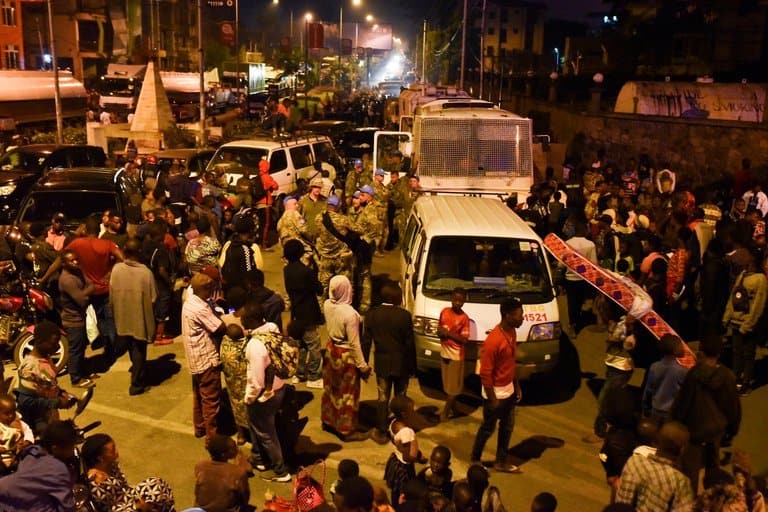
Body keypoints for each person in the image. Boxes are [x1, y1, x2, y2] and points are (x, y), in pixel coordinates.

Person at [43, 215, 124, 364]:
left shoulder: (77, 244)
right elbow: (122, 257)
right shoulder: (107, 244)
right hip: (104, 289)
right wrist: (110, 272)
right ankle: (111, 349)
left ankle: (84, 349)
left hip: (84, 289)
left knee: (81, 319)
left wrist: (44, 277)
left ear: (85, 229)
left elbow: (60, 260)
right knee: (107, 319)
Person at [670, 333, 741, 492]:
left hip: (695, 431)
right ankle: (712, 500)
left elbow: (683, 404)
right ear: (719, 353)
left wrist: (676, 422)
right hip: (716, 430)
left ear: (701, 351)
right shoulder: (728, 377)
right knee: (713, 469)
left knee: (690, 472)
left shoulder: (694, 374)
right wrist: (731, 431)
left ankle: (691, 503)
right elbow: (733, 408)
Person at [470, 297, 524, 474]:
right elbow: (485, 373)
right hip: (495, 395)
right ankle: (475, 459)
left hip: (508, 391)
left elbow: (511, 362)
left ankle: (500, 462)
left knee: (507, 428)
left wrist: (516, 386)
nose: (522, 318)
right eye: (519, 315)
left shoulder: (511, 333)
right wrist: (492, 399)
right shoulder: (494, 340)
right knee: (487, 429)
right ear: (508, 316)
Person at [242, 301, 291, 482]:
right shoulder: (272, 327)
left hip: (264, 395)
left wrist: (249, 398)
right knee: (257, 427)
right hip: (279, 387)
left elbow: (256, 380)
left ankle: (280, 471)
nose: (242, 322)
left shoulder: (255, 346)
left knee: (267, 433)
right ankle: (259, 459)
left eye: (245, 319)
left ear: (253, 320)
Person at [363, 281, 416, 445]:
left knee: (382, 398)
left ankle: (381, 430)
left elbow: (366, 341)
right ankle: (400, 429)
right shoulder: (404, 316)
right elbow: (409, 344)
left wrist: (364, 363)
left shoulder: (372, 314)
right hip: (402, 364)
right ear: (394, 298)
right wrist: (413, 367)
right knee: (401, 398)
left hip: (382, 363)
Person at [321, 275, 372, 442]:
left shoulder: (327, 304)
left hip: (331, 349)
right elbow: (355, 343)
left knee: (332, 388)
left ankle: (329, 421)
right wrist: (363, 366)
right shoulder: (351, 315)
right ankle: (346, 430)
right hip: (345, 354)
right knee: (348, 393)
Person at [110, 238, 157, 396]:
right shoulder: (146, 273)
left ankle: (137, 374)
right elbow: (154, 298)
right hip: (139, 318)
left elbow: (111, 295)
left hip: (122, 316)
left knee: (131, 347)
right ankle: (136, 384)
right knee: (138, 350)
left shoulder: (116, 269)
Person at [181, 272, 225, 443]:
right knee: (211, 401)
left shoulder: (191, 302)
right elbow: (219, 328)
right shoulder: (200, 308)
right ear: (205, 289)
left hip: (195, 358)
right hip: (206, 359)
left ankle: (199, 427)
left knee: (199, 395)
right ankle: (212, 438)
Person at [82, 432, 175, 512]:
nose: (117, 453)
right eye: (113, 451)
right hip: (120, 508)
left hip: (128, 495)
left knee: (157, 484)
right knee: (154, 498)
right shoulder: (96, 483)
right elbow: (108, 507)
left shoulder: (112, 465)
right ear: (100, 458)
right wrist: (137, 507)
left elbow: (125, 487)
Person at [615, 421, 694, 511]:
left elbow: (621, 502)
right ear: (682, 450)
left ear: (655, 442)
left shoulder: (634, 462)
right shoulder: (680, 482)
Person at [0, 420, 78, 511]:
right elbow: (67, 505)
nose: (73, 450)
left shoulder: (32, 453)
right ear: (55, 448)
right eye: (71, 446)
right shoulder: (58, 469)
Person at [15, 320, 77, 434]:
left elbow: (47, 384)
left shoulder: (46, 358)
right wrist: (57, 403)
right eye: (53, 343)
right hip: (36, 422)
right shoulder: (29, 367)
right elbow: (25, 401)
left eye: (58, 342)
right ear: (39, 341)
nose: (57, 347)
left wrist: (62, 393)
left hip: (48, 416)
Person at [722, 245, 768, 395]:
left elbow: (758, 305)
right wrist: (727, 316)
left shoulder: (760, 279)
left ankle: (746, 382)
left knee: (748, 354)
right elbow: (733, 295)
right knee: (736, 352)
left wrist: (749, 324)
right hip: (736, 321)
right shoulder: (743, 274)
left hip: (747, 323)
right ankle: (736, 379)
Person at [283, 239, 324, 388]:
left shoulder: (286, 270)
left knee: (301, 344)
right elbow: (319, 289)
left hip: (296, 311)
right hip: (309, 312)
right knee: (314, 345)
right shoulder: (306, 272)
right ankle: (314, 376)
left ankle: (299, 374)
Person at [58, 249, 96, 388]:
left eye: (76, 259)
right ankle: (75, 378)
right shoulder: (67, 280)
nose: (75, 262)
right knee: (75, 350)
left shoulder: (78, 271)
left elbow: (91, 284)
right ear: (64, 263)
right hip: (72, 320)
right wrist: (85, 293)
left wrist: (84, 293)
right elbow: (82, 300)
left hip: (80, 317)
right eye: (71, 260)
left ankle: (80, 371)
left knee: (81, 347)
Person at [437, 288, 470, 422]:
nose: (457, 303)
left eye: (460, 301)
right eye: (455, 300)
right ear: (451, 298)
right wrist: (440, 332)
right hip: (444, 353)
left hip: (456, 355)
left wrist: (448, 333)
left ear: (464, 302)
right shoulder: (444, 312)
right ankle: (454, 409)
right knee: (448, 385)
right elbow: (439, 329)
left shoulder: (464, 318)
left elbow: (464, 339)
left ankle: (445, 413)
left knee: (453, 388)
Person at [194, 434, 251, 512]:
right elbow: (245, 497)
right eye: (233, 448)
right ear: (224, 454)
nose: (236, 449)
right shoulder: (238, 472)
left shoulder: (200, 466)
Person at [315, 195, 358, 298]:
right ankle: (343, 305)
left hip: (325, 257)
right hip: (341, 257)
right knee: (345, 283)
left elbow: (318, 233)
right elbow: (358, 230)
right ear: (338, 206)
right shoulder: (343, 219)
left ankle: (321, 310)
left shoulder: (319, 218)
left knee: (323, 284)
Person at [384, 395, 422, 508]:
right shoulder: (407, 432)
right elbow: (407, 457)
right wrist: (416, 456)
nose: (414, 412)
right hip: (404, 468)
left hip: (395, 460)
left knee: (395, 491)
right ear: (404, 413)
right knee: (404, 492)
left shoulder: (394, 423)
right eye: (412, 409)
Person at [641, 335, 689, 420]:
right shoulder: (683, 371)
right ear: (675, 349)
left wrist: (645, 408)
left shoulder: (654, 366)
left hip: (655, 411)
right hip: (672, 413)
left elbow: (648, 390)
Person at [564, 222, 597, 337]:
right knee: (583, 302)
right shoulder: (590, 244)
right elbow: (594, 264)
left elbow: (561, 263)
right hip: (585, 279)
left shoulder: (567, 244)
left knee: (572, 303)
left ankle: (572, 326)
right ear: (584, 230)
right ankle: (581, 321)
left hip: (570, 279)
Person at [0, 394, 33, 474]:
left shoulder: (19, 423)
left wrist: (27, 441)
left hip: (17, 454)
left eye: (13, 412)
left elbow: (28, 431)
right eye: (7, 414)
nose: (11, 416)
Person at [255, 156, 279, 250]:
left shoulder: (258, 176)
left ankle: (261, 242)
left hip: (258, 203)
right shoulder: (266, 177)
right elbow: (276, 186)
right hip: (265, 203)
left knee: (261, 224)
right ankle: (264, 245)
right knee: (266, 224)